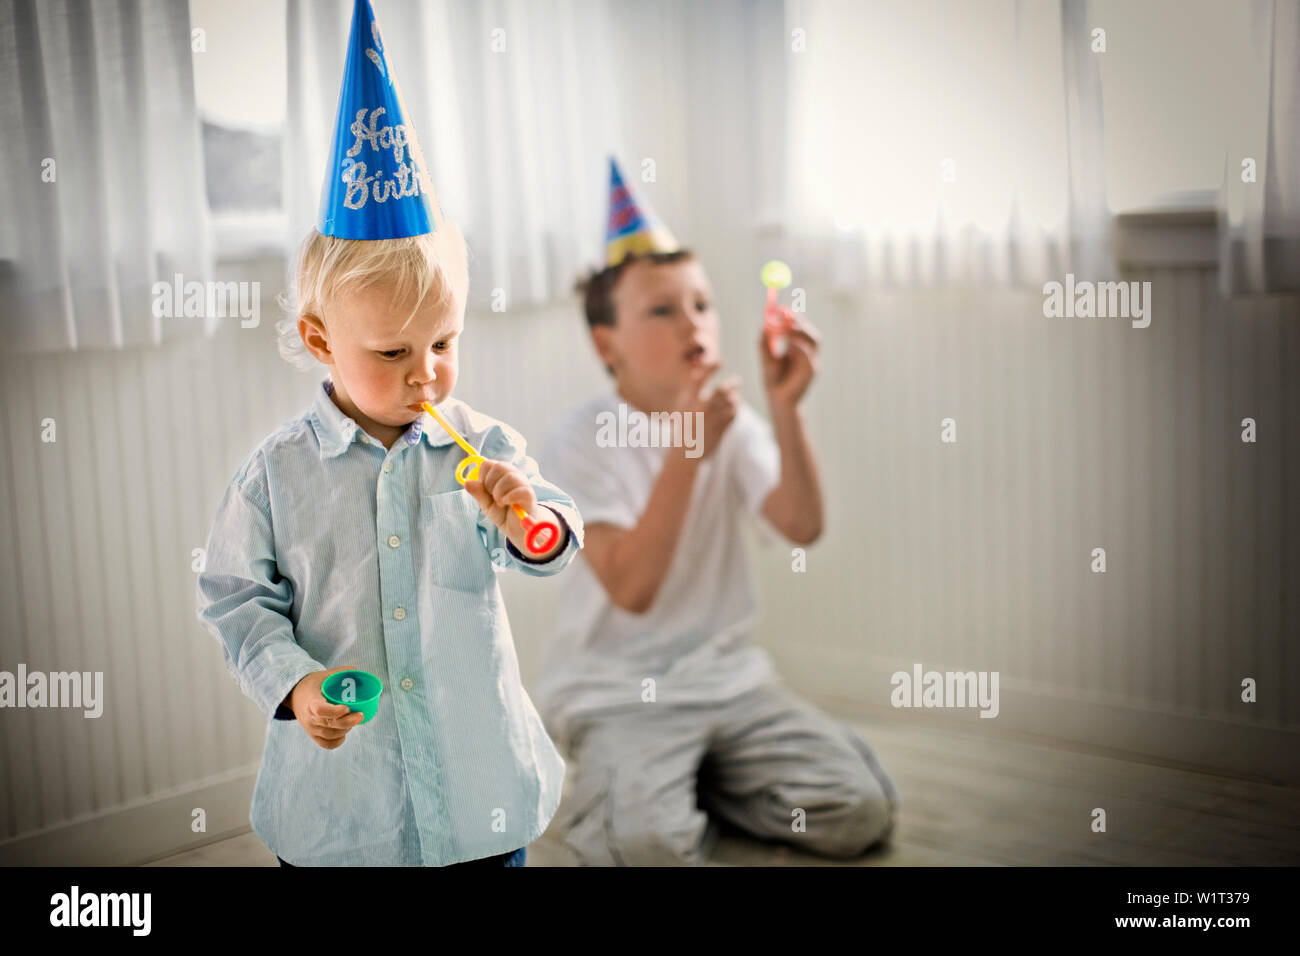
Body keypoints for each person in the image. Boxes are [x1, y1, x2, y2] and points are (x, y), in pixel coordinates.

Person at [193, 0, 582, 867]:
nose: (427, 373)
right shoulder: (276, 477)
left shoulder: (479, 446)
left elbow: (550, 534)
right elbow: (232, 595)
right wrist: (294, 685)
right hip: (345, 814)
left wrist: (528, 519)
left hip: (479, 790)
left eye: (445, 343)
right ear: (323, 340)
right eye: (395, 351)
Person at [532, 157, 899, 866]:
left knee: (857, 811)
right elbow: (633, 588)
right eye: (661, 310)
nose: (691, 322)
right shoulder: (580, 438)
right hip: (617, 694)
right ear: (606, 344)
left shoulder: (732, 421)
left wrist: (787, 409)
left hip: (728, 681)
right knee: (646, 851)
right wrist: (691, 450)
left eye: (700, 304)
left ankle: (698, 779)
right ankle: (652, 786)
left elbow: (801, 525)